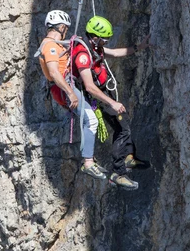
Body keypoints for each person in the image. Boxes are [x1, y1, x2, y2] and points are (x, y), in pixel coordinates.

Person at [71, 15, 150, 190]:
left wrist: (139, 47)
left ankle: (128, 158)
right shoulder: (83, 55)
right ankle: (118, 173)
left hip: (103, 94)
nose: (106, 41)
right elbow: (89, 87)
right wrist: (111, 103)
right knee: (122, 128)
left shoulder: (95, 48)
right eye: (104, 38)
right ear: (95, 36)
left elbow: (115, 53)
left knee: (123, 123)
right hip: (97, 96)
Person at [37, 10, 107, 180]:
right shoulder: (50, 46)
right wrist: (70, 93)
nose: (66, 31)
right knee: (90, 119)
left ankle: (89, 158)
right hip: (64, 88)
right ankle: (88, 162)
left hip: (65, 87)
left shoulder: (55, 44)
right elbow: (54, 72)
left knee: (88, 119)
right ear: (61, 27)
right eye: (65, 28)